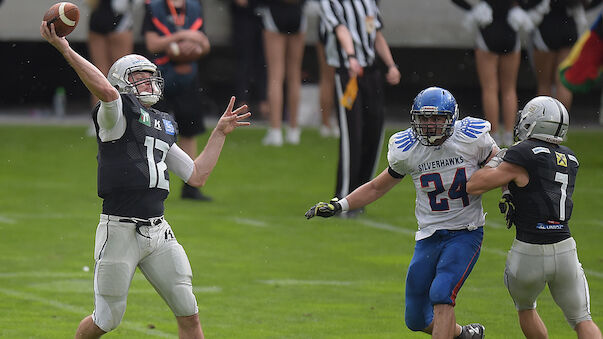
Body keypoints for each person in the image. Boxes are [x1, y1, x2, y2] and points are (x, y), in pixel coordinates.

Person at [40, 20, 251, 338]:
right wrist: (65, 47)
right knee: (106, 320)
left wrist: (219, 133)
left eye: (150, 77)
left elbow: (196, 176)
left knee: (189, 314)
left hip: (159, 232)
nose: (147, 83)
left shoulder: (163, 123)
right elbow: (107, 92)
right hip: (120, 230)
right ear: (121, 83)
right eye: (138, 78)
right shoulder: (115, 114)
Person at [305, 87, 496, 339]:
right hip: (429, 235)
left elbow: (500, 161)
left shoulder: (471, 139)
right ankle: (464, 335)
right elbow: (377, 186)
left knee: (441, 294)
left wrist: (500, 184)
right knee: (416, 318)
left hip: (465, 232)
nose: (429, 125)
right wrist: (341, 205)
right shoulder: (408, 149)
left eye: (437, 118)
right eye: (424, 118)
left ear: (451, 118)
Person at [466, 96, 602, 339]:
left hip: (529, 250)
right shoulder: (570, 158)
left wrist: (497, 161)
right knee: (582, 319)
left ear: (534, 122)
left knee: (526, 308)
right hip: (565, 249)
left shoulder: (523, 153)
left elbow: (475, 186)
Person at [319, 0, 401, 205]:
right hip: (349, 73)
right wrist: (351, 56)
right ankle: (343, 197)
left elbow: (374, 33)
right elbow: (341, 30)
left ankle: (361, 196)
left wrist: (391, 65)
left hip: (370, 71)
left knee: (374, 131)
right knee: (352, 136)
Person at [143, 0, 213, 201]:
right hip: (158, 77)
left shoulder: (194, 7)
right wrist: (182, 37)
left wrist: (193, 49)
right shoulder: (154, 6)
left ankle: (190, 186)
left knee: (189, 130)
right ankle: (150, 183)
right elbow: (152, 44)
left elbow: (205, 44)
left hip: (188, 77)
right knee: (152, 131)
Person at [452, 0, 536, 146]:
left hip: (488, 28)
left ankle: (494, 135)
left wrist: (472, 8)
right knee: (509, 88)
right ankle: (510, 135)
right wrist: (521, 7)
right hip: (509, 28)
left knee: (489, 89)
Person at [258, 0, 307, 146]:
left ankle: (276, 130)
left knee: (275, 75)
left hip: (276, 10)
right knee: (294, 75)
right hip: (296, 11)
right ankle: (293, 130)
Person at [86, 0, 137, 107]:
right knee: (121, 75)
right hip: (117, 17)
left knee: (99, 74)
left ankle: (98, 119)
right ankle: (121, 117)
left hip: (98, 15)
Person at [230, 0, 269, 119]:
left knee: (264, 61)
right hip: (244, 15)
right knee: (243, 60)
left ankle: (265, 102)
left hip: (264, 13)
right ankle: (242, 102)